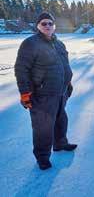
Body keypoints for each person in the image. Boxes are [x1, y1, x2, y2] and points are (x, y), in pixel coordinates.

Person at [14, 12, 77, 170]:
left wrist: (68, 83)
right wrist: (25, 93)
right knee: (43, 127)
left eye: (50, 23)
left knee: (61, 120)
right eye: (44, 23)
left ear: (54, 26)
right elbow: (22, 70)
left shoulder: (59, 43)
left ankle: (60, 143)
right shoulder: (30, 43)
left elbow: (64, 65)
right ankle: (42, 156)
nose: (47, 26)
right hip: (42, 94)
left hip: (60, 91)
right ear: (38, 26)